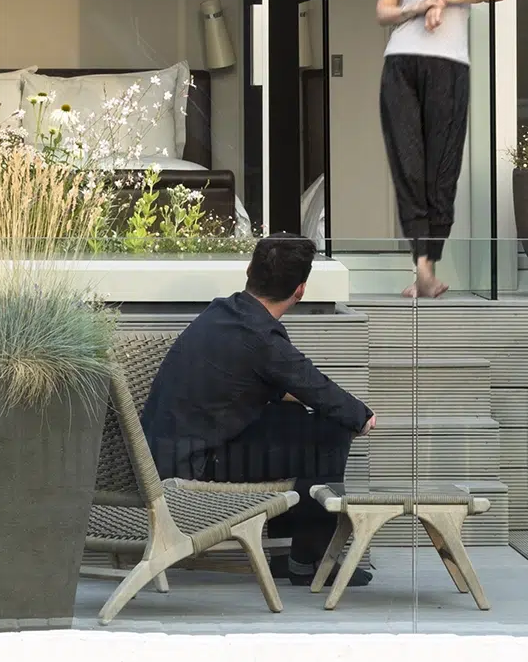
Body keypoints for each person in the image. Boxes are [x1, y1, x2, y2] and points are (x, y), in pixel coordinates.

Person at [140, 233, 376, 586]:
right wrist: (363, 416)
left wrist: (304, 400)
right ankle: (310, 561)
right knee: (330, 432)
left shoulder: (223, 311)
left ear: (249, 271)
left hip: (168, 453)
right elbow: (313, 384)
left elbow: (269, 381)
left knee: (295, 420)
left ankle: (286, 558)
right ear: (300, 290)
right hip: (193, 467)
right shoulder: (261, 337)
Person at [376, 0, 505, 297]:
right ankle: (424, 270)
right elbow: (383, 11)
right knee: (408, 167)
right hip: (401, 64)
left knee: (441, 171)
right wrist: (419, 6)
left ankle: (430, 261)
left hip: (449, 66)